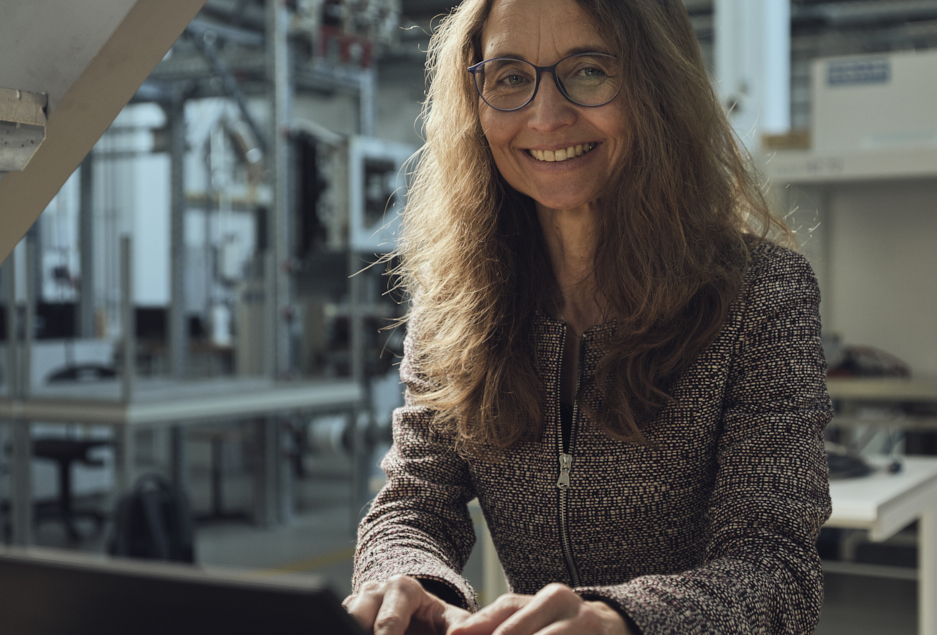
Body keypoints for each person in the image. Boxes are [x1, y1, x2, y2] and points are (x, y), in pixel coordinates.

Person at [343, 0, 832, 633]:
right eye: (511, 77)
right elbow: (413, 503)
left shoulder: (762, 295)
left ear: (658, 87)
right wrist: (408, 583)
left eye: (589, 71)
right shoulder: (455, 301)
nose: (546, 116)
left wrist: (618, 620)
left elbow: (776, 569)